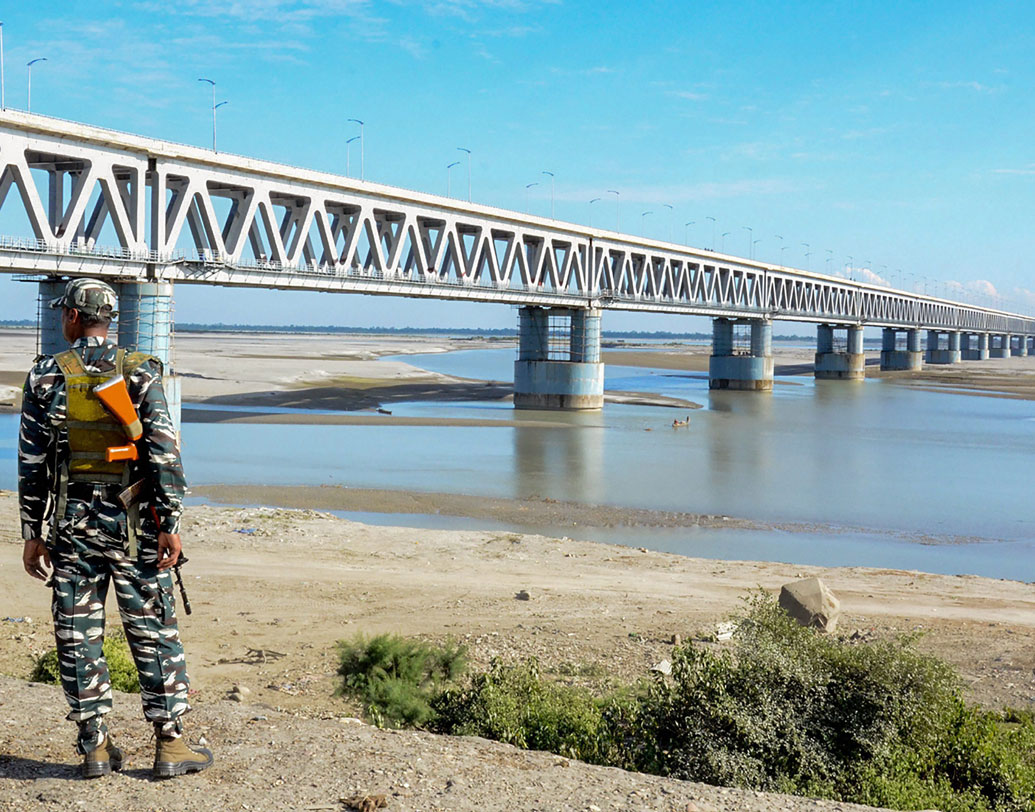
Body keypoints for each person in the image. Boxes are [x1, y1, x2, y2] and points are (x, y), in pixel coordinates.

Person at [18, 277, 213, 779]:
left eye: (65, 313)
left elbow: (32, 463)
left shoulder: (44, 375)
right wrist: (169, 522)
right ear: (109, 318)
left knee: (78, 633)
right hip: (133, 525)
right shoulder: (141, 371)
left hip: (71, 526)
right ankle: (170, 746)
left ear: (73, 318)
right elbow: (165, 452)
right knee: (151, 630)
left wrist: (31, 532)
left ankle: (95, 748)